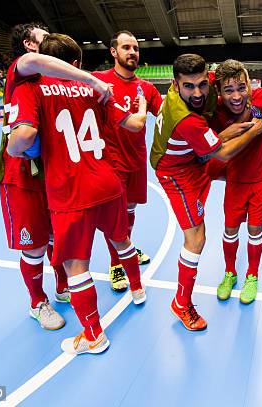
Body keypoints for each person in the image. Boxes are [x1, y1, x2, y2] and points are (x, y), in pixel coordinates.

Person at [7, 33, 149, 355]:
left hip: (70, 192)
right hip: (108, 183)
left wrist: (17, 150)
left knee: (76, 265)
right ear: (77, 63)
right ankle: (138, 290)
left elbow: (25, 134)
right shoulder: (94, 87)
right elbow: (133, 123)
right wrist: (139, 105)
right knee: (122, 242)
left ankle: (93, 335)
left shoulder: (30, 88)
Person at [0, 22, 114, 331]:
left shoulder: (51, 84)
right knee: (33, 244)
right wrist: (93, 79)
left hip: (51, 171)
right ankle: (37, 303)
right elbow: (22, 136)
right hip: (21, 176)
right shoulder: (21, 74)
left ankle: (63, 285)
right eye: (42, 36)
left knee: (55, 236)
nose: (50, 40)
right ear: (28, 44)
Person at [150, 53, 262, 331]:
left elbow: (232, 83)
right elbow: (222, 154)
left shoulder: (198, 87)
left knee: (245, 179)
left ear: (208, 77)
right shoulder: (187, 120)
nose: (198, 92)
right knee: (196, 239)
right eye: (189, 87)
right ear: (175, 85)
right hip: (176, 173)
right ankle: (181, 302)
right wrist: (252, 131)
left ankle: (243, 267)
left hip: (192, 159)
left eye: (202, 84)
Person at [92, 30, 163, 291]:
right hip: (110, 162)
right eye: (126, 47)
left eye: (135, 47)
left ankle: (127, 250)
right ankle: (116, 265)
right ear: (114, 52)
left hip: (137, 162)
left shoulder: (147, 88)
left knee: (129, 213)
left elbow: (166, 117)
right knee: (116, 218)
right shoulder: (99, 81)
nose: (132, 52)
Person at [209, 59, 262, 304]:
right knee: (230, 229)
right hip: (235, 180)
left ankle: (252, 275)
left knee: (255, 229)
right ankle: (230, 273)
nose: (237, 96)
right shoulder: (215, 110)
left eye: (241, 87)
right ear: (219, 92)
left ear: (249, 85)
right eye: (228, 90)